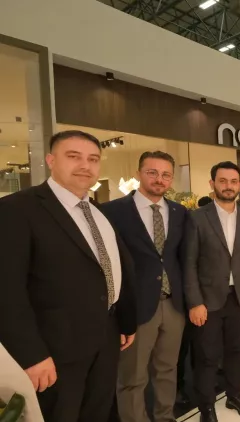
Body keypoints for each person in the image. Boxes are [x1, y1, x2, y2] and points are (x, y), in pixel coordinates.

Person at [0, 130, 137, 422]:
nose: (85, 165)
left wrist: (123, 320)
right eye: (73, 156)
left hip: (106, 336)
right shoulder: (17, 209)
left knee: (98, 412)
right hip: (56, 348)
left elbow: (110, 267)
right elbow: (7, 291)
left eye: (93, 159)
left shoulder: (97, 211)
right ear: (51, 160)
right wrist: (32, 355)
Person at [101, 151, 190, 422]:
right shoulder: (113, 212)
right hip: (136, 307)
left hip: (173, 305)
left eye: (165, 175)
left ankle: (165, 417)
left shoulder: (179, 212)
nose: (159, 179)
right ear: (138, 173)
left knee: (168, 370)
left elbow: (181, 257)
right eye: (152, 172)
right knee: (133, 377)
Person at [184, 161, 240, 422]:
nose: (228, 186)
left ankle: (234, 395)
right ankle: (206, 406)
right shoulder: (197, 217)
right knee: (207, 357)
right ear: (213, 184)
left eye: (233, 182)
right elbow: (188, 263)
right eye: (222, 181)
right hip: (207, 301)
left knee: (236, 350)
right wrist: (194, 302)